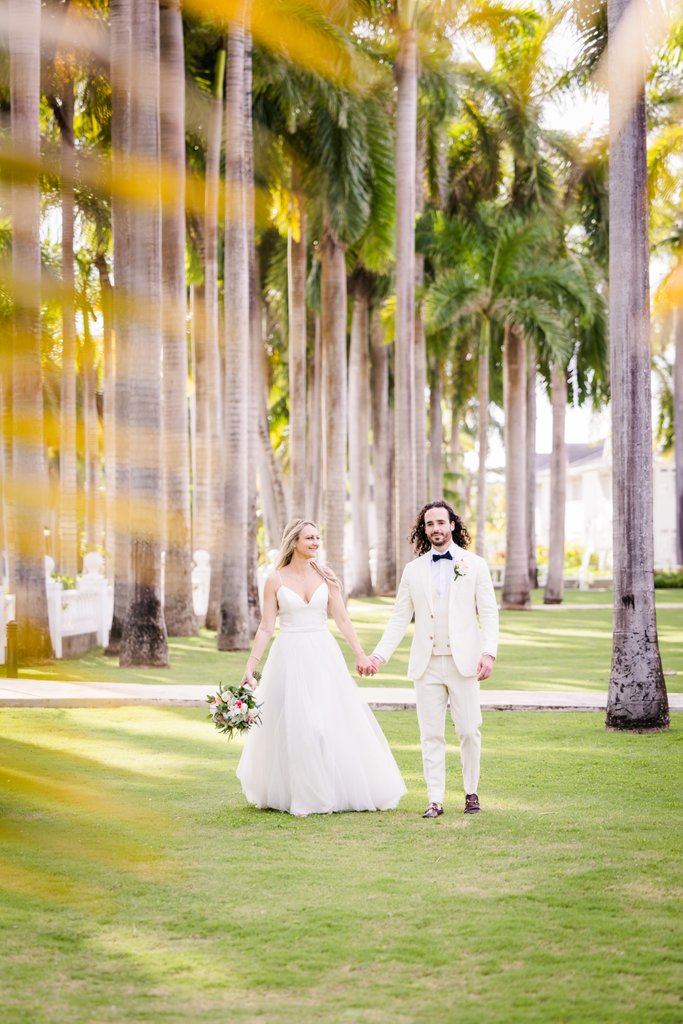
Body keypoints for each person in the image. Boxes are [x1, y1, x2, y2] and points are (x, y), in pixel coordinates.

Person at [236, 518, 407, 817]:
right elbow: (265, 627)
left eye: (318, 537)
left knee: (327, 723)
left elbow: (342, 619)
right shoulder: (275, 579)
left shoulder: (326, 576)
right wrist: (251, 667)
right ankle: (300, 793)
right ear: (294, 542)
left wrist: (360, 654)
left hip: (323, 654)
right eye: (309, 538)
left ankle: (333, 790)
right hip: (289, 655)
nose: (316, 542)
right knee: (297, 725)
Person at [363, 501, 499, 819]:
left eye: (441, 522)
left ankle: (471, 793)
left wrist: (488, 653)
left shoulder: (474, 564)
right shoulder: (414, 570)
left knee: (468, 730)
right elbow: (399, 619)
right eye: (429, 524)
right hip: (426, 665)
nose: (435, 528)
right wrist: (379, 656)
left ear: (452, 525)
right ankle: (435, 799)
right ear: (424, 530)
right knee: (431, 734)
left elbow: (489, 613)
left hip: (464, 663)